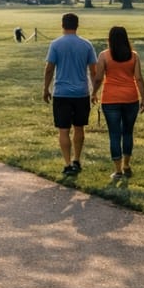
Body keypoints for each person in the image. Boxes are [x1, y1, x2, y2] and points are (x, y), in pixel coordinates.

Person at [43, 13, 98, 176]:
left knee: (63, 130)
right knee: (79, 127)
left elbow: (49, 68)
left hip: (61, 92)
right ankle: (77, 160)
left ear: (62, 25)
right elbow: (93, 71)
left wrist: (46, 88)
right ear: (77, 25)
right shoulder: (86, 45)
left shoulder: (56, 44)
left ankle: (67, 163)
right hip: (81, 92)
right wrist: (94, 91)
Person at [91, 26, 144, 179]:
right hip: (131, 98)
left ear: (110, 39)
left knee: (114, 134)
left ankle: (118, 170)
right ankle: (127, 164)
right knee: (128, 132)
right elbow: (139, 78)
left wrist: (94, 93)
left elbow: (98, 78)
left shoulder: (104, 55)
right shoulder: (133, 56)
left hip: (110, 99)